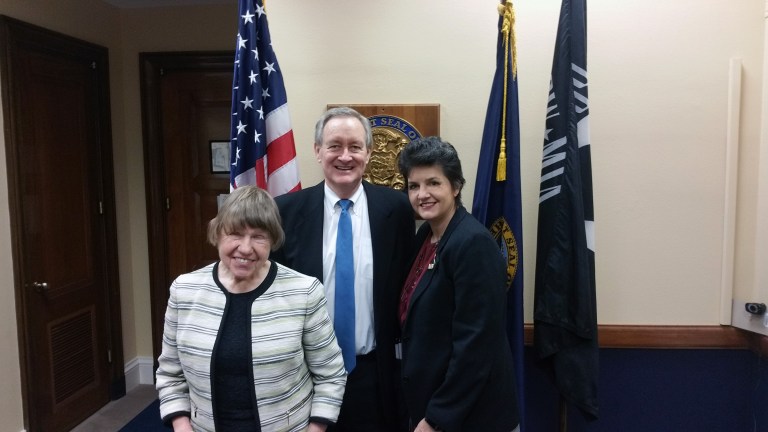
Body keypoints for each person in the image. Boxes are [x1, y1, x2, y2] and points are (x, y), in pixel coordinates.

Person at [156, 185, 347, 432]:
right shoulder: (184, 290)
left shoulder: (304, 291)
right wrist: (182, 426)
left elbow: (331, 375)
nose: (245, 248)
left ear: (272, 240)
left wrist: (316, 429)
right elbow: (170, 375)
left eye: (258, 236)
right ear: (217, 234)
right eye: (235, 234)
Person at [272, 107, 415, 432]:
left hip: (374, 376)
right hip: (305, 376)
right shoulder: (286, 212)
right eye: (335, 145)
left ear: (368, 152)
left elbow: (408, 289)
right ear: (318, 151)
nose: (345, 156)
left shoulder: (397, 211)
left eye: (355, 146)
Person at [397, 136, 520, 432]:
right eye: (414, 186)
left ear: (455, 186)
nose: (422, 194)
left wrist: (437, 418)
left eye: (433, 183)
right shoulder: (425, 236)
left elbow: (476, 346)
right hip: (433, 402)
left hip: (471, 415)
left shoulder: (472, 243)